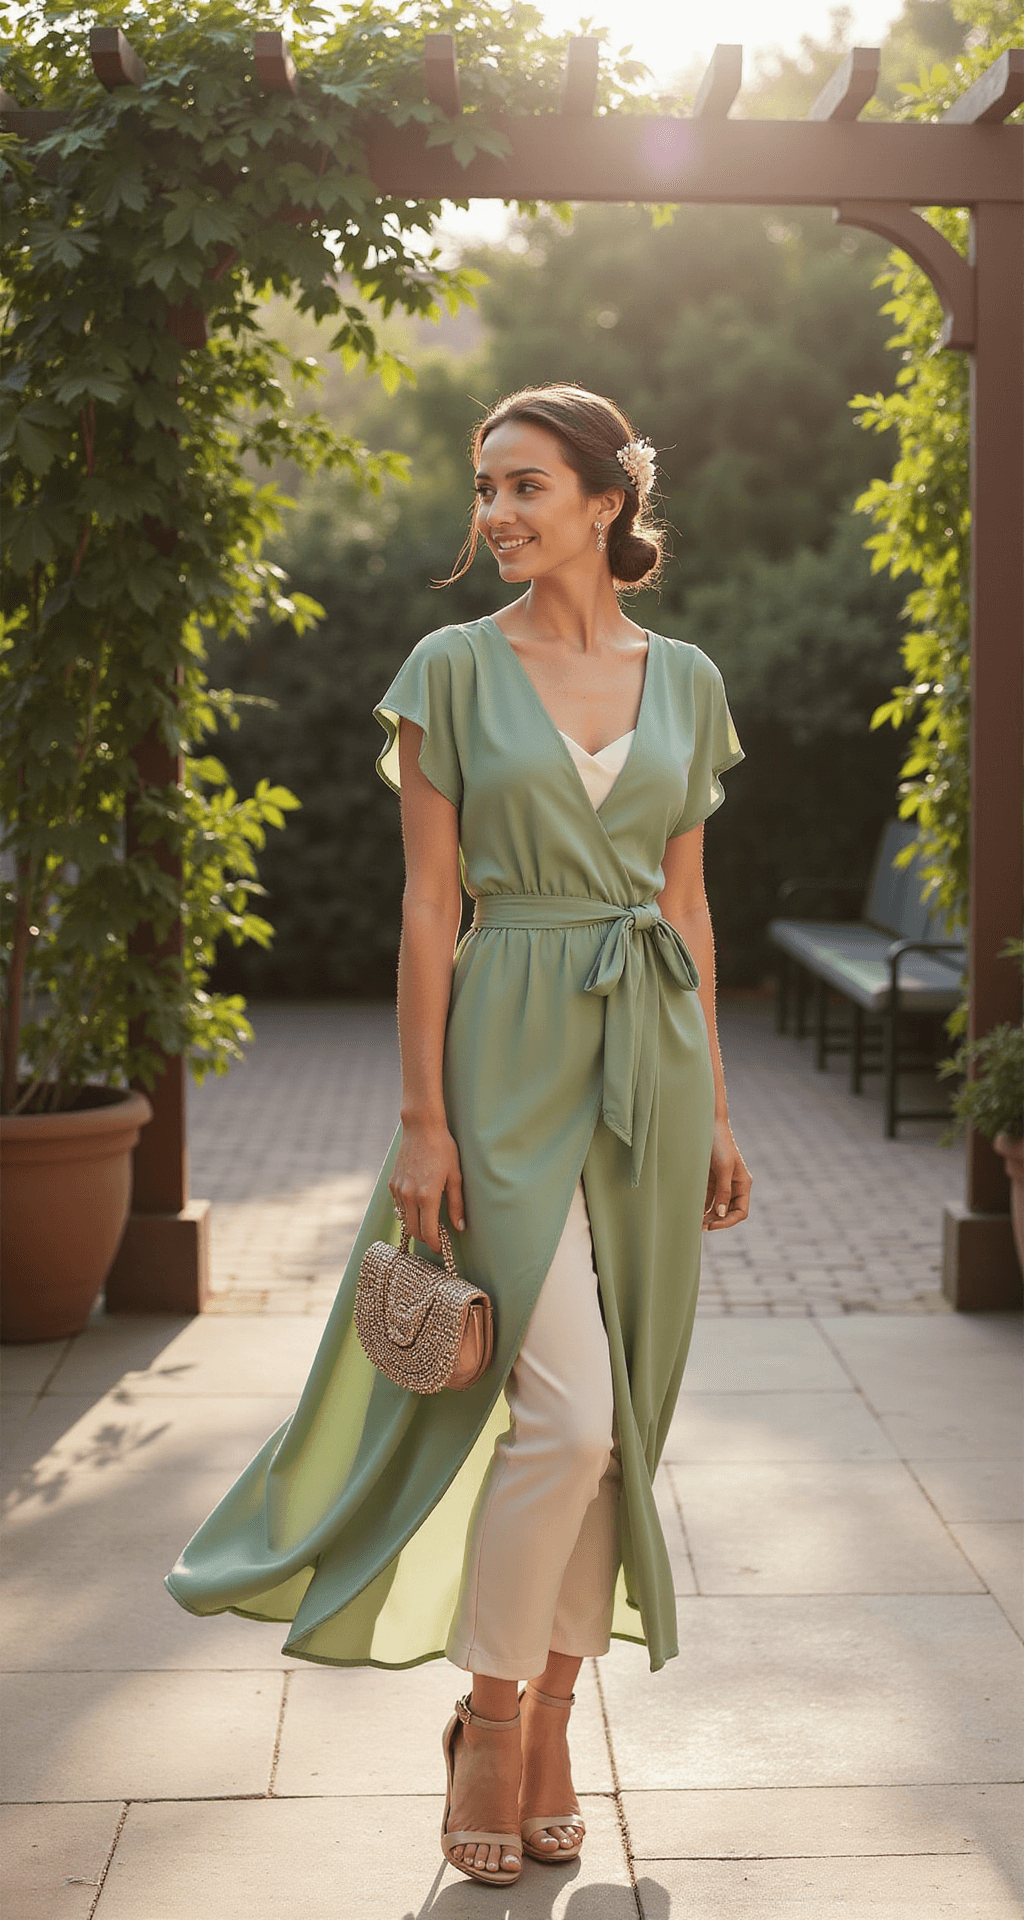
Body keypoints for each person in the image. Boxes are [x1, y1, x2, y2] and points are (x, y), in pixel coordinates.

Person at [166, 382, 751, 1891]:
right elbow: (430, 907)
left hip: (651, 1056)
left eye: (524, 485)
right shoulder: (448, 669)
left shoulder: (687, 680)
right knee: (566, 1417)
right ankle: (490, 1722)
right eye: (484, 488)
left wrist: (717, 1109)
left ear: (607, 502)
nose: (494, 513)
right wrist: (420, 1119)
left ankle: (554, 1723)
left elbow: (687, 906)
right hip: (504, 1056)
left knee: (616, 1427)